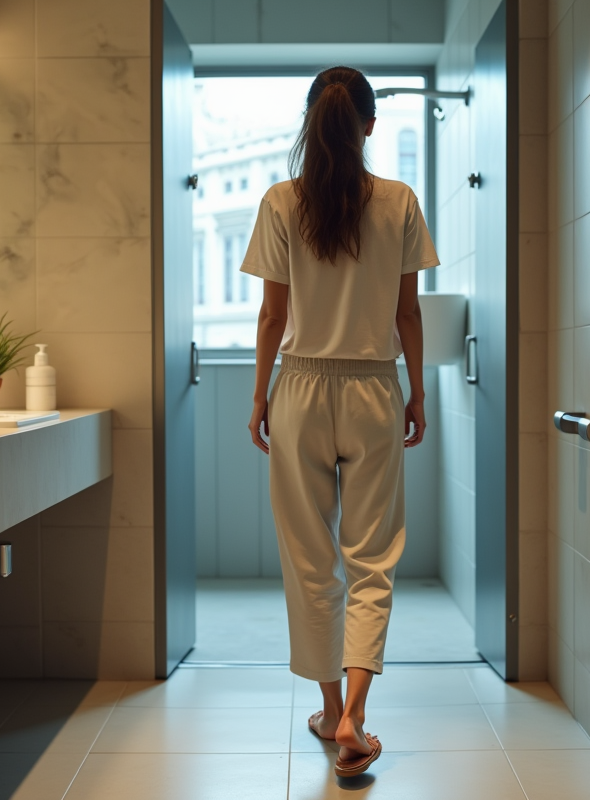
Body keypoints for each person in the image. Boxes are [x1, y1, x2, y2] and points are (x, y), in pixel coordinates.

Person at [240, 65, 439, 778]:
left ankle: (330, 711)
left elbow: (272, 316)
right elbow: (407, 313)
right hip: (374, 390)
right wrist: (417, 392)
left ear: (310, 125)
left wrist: (261, 395)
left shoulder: (279, 202)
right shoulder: (400, 201)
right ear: (370, 125)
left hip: (299, 388)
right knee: (373, 558)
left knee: (308, 557)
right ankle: (355, 714)